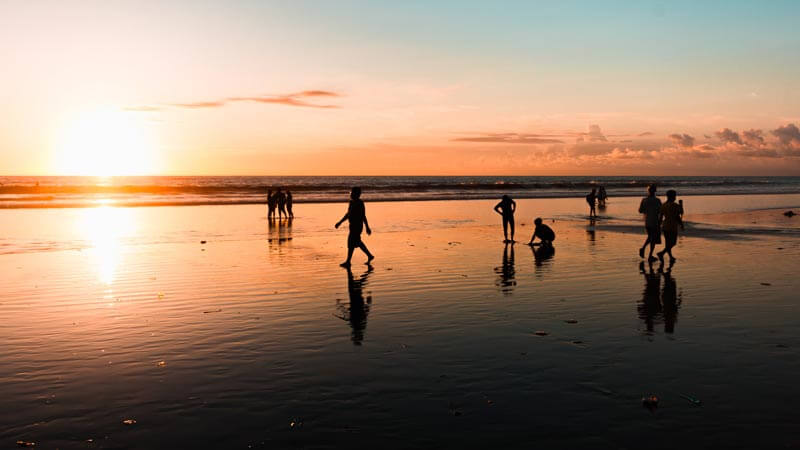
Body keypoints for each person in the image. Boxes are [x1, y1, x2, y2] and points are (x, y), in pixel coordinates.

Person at [335, 187, 375, 267]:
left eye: (352, 193)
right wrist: (340, 222)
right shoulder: (351, 202)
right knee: (355, 242)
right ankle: (369, 256)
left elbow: (363, 216)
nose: (351, 194)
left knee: (352, 242)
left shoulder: (360, 203)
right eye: (351, 193)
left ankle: (348, 261)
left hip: (358, 226)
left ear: (357, 194)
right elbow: (348, 214)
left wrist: (367, 227)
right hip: (352, 225)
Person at [657, 190, 684, 264]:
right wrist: (681, 204)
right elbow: (680, 214)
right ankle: (662, 253)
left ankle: (670, 256)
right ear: (672, 196)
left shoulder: (663, 205)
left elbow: (660, 217)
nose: (675, 197)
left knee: (668, 243)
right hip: (672, 226)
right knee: (673, 243)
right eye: (675, 196)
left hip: (665, 225)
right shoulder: (675, 205)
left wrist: (659, 225)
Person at [638, 184, 662, 262]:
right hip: (655, 221)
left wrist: (647, 210)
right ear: (655, 191)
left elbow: (640, 210)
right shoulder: (657, 200)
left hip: (647, 221)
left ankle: (644, 249)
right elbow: (660, 211)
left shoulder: (644, 200)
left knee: (650, 237)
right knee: (653, 239)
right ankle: (648, 254)